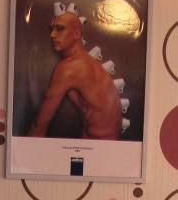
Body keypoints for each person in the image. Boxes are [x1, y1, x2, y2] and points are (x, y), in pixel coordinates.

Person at [28, 8, 122, 140]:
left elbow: (40, 124)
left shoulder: (67, 69)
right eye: (51, 29)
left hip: (96, 145)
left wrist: (23, 150)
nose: (52, 35)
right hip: (109, 145)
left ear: (77, 33)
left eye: (60, 29)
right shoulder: (89, 62)